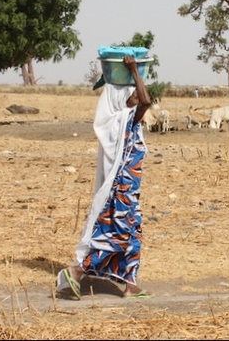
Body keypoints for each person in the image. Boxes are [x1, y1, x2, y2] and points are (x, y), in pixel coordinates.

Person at [56, 55, 152, 299]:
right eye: (130, 95)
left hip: (131, 189)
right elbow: (146, 101)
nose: (136, 96)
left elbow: (142, 99)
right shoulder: (123, 121)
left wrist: (133, 75)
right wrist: (135, 71)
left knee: (133, 234)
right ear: (119, 101)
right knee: (118, 233)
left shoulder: (124, 124)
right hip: (121, 190)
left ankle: (130, 284)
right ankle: (76, 271)